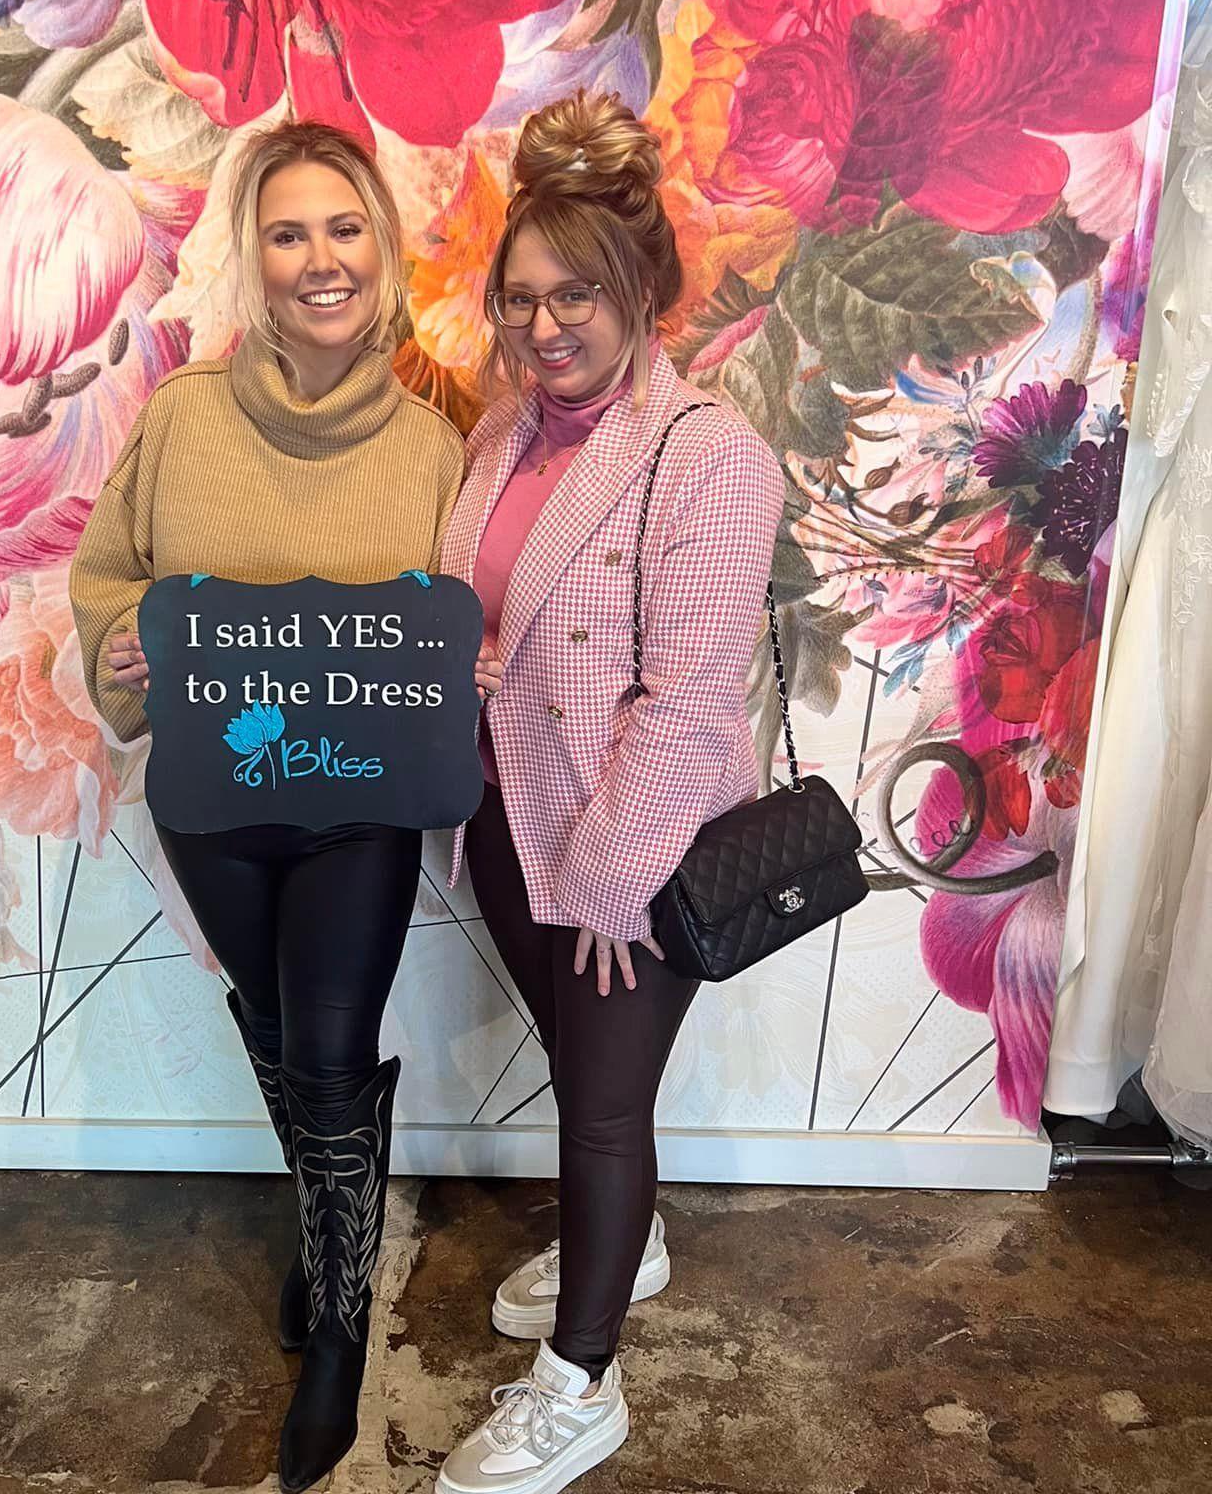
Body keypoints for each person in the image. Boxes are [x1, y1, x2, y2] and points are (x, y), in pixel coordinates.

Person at [69, 119, 464, 1494]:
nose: (319, 259)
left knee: (333, 1049)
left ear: (383, 251)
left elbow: (467, 625)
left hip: (361, 809)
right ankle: (326, 1232)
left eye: (343, 228)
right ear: (256, 258)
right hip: (217, 799)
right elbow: (108, 576)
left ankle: (341, 1333)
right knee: (281, 1029)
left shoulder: (432, 448)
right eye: (289, 233)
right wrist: (122, 647)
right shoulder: (181, 419)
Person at [436, 91, 783, 1494]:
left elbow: (688, 700)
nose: (543, 325)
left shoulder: (707, 454)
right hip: (506, 811)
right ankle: (623, 1247)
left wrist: (610, 879)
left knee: (600, 1110)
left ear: (641, 289)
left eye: (574, 293)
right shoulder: (504, 437)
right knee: (579, 1066)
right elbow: (491, 618)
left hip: (629, 842)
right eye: (520, 298)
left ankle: (582, 1382)